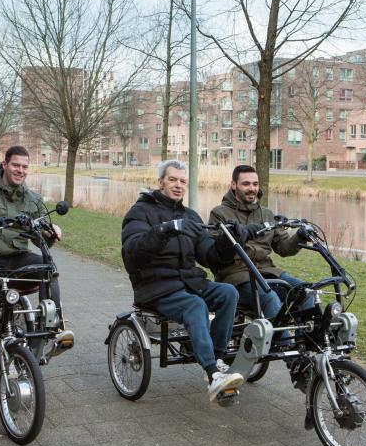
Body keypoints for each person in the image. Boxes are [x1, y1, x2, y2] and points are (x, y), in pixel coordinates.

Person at [121, 160, 263, 401]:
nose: (178, 185)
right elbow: (132, 251)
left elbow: (208, 256)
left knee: (228, 293)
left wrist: (226, 243)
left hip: (188, 282)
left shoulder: (190, 216)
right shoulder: (140, 212)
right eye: (173, 180)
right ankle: (211, 373)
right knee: (195, 305)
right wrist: (164, 230)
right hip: (155, 286)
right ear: (160, 182)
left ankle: (216, 361)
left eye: (183, 181)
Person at [0, 145, 71, 337]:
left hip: (17, 257)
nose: (20, 171)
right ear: (4, 164)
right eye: (16, 165)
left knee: (48, 268)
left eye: (25, 167)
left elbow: (41, 238)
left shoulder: (32, 199)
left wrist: (51, 232)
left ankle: (51, 326)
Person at [208, 165, 312, 343]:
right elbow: (215, 253)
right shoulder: (220, 214)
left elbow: (284, 248)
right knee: (270, 297)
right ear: (234, 185)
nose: (252, 188)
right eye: (246, 184)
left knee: (305, 291)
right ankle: (288, 352)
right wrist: (236, 235)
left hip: (267, 272)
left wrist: (300, 237)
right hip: (236, 275)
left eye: (255, 184)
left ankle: (307, 346)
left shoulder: (266, 214)